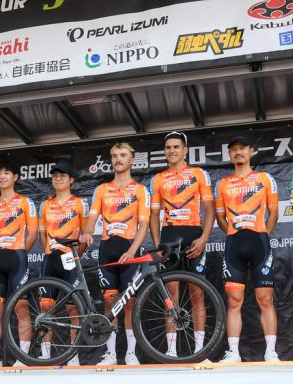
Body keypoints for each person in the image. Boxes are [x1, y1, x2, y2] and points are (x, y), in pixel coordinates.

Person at [148, 131, 215, 358]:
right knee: (171, 295)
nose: (172, 151)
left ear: (185, 150)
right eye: (168, 147)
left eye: (176, 147)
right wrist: (157, 244)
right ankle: (171, 350)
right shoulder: (158, 179)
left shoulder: (199, 174)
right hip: (169, 236)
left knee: (198, 294)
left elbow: (210, 210)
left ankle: (200, 350)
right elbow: (153, 215)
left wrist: (204, 238)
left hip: (194, 235)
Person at [213, 134, 279, 362]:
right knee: (233, 300)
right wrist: (233, 233)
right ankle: (234, 352)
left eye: (242, 148)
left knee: (265, 299)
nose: (238, 152)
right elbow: (220, 217)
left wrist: (263, 234)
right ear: (229, 154)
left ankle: (271, 351)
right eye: (234, 149)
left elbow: (274, 212)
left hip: (260, 243)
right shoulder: (222, 184)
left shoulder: (265, 178)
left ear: (251, 151)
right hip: (234, 244)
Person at [86, 142, 151, 365]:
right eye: (114, 156)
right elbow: (92, 218)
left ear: (132, 160)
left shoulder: (141, 190)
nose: (118, 159)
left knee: (130, 302)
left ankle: (131, 353)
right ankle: (111, 354)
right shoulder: (102, 189)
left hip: (130, 249)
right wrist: (87, 232)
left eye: (123, 155)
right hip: (107, 249)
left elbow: (144, 225)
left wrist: (132, 251)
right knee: (109, 301)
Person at [0, 161, 38, 367]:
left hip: (17, 258)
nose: (2, 176)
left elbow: (33, 233)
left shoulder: (25, 202)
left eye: (7, 172)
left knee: (21, 307)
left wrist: (20, 252)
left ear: (15, 177)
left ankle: (23, 358)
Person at [38, 160, 90, 365]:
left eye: (62, 176)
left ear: (71, 180)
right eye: (55, 176)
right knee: (45, 307)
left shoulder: (79, 203)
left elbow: (85, 234)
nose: (58, 179)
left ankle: (73, 356)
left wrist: (76, 255)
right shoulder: (45, 204)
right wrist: (48, 250)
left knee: (73, 309)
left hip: (70, 259)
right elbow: (42, 235)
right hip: (50, 258)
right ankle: (45, 355)